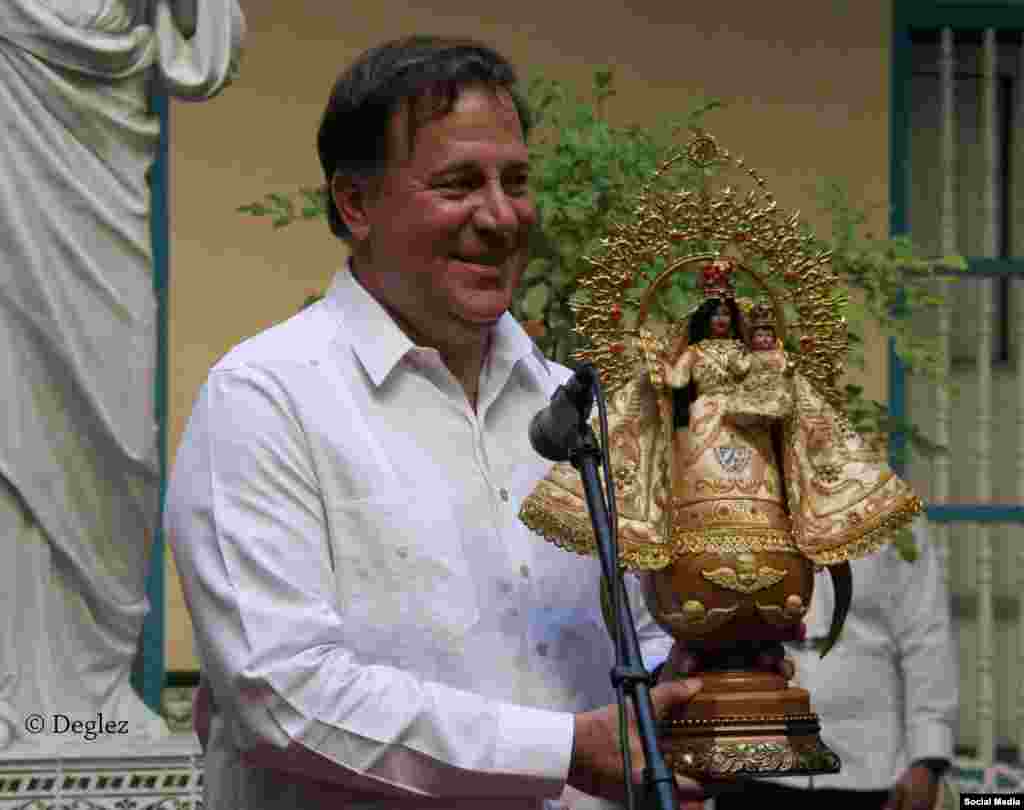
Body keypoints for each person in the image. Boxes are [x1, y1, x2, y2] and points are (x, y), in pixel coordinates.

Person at [165, 35, 708, 810]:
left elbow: (634, 650)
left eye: (515, 181)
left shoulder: (578, 412)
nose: (499, 216)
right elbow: (281, 695)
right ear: (356, 204)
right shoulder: (265, 399)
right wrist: (562, 751)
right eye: (458, 183)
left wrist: (702, 679)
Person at [0, 0, 244, 751]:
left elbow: (207, 54)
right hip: (12, 160)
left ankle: (87, 694)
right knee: (13, 407)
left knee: (117, 437)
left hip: (101, 168)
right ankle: (23, 699)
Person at [712, 518, 958, 810]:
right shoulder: (744, 501)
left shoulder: (890, 512)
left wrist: (927, 759)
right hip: (754, 756)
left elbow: (925, 637)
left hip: (867, 764)